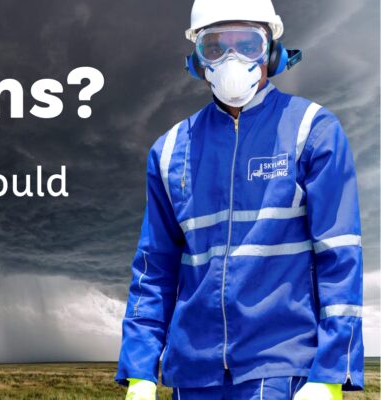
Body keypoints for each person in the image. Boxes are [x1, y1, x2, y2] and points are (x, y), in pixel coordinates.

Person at [114, 0, 364, 399]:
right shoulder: (169, 151)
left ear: (271, 49)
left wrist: (331, 373)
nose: (231, 59)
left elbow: (339, 256)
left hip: (280, 369)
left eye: (247, 43)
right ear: (197, 58)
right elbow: (154, 269)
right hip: (192, 377)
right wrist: (140, 370)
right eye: (215, 46)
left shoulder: (312, 132)